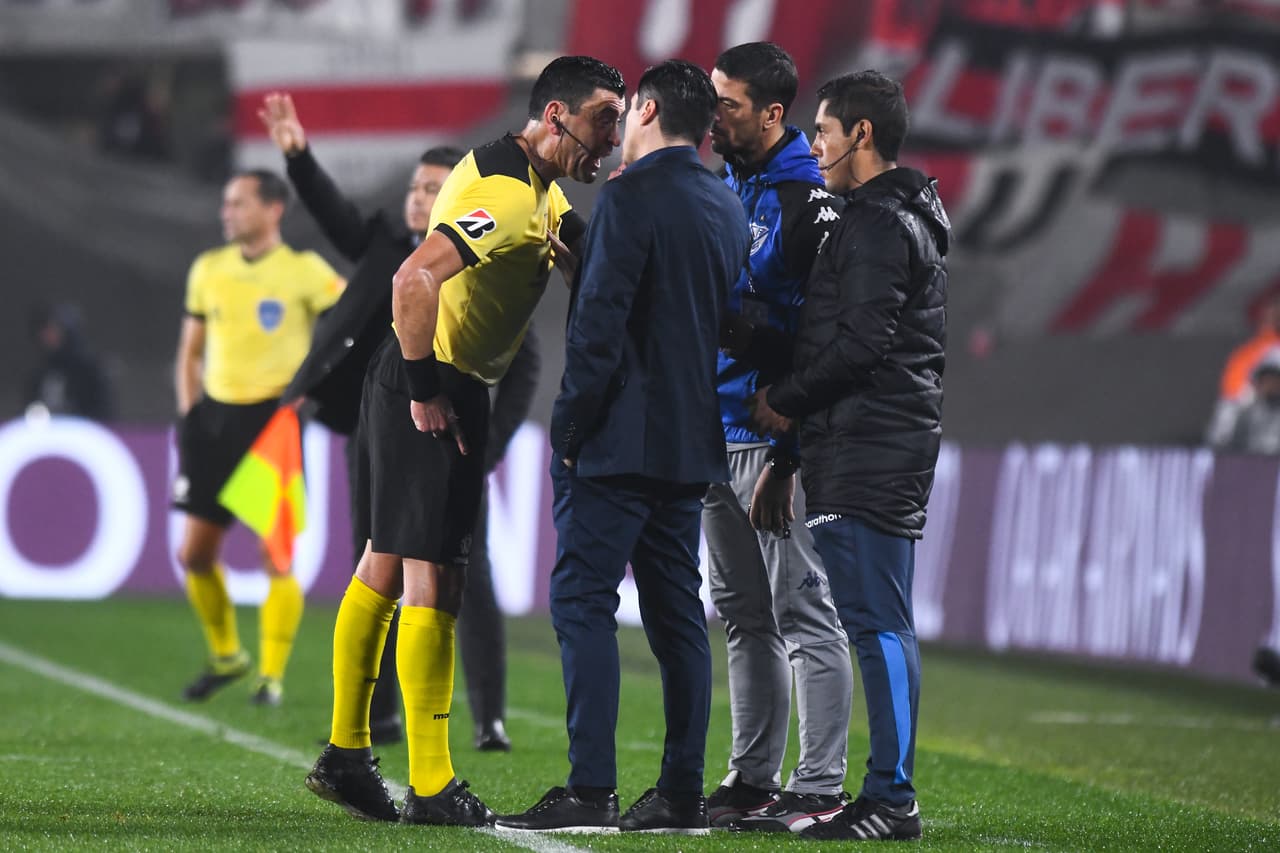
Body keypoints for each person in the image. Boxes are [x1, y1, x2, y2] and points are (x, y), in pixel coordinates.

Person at [303, 55, 624, 827]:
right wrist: (424, 393)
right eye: (601, 124)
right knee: (433, 583)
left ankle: (348, 755)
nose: (607, 145)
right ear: (555, 117)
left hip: (434, 379)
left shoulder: (526, 178)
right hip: (435, 384)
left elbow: (586, 248)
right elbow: (412, 280)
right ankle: (432, 781)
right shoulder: (512, 195)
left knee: (383, 564)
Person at [496, 59, 750, 836]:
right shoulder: (725, 204)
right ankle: (680, 794)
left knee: (581, 602)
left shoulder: (628, 198)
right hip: (688, 443)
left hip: (613, 445)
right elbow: (706, 317)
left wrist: (569, 428)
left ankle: (592, 788)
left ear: (643, 109)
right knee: (678, 618)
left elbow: (602, 332)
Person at [261, 93, 532, 752]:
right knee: (379, 564)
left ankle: (484, 715)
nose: (417, 197)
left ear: (459, 200)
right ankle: (374, 727)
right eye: (415, 186)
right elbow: (336, 219)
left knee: (458, 575)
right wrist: (298, 157)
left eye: (432, 188)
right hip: (381, 426)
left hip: (451, 429)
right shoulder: (391, 245)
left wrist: (488, 446)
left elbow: (521, 363)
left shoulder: (484, 256)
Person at [749, 70, 949, 842]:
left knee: (878, 624)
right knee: (879, 620)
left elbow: (860, 344)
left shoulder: (873, 227)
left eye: (825, 131)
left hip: (870, 442)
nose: (816, 146)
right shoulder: (890, 217)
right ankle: (886, 791)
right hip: (865, 439)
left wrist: (786, 399)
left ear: (861, 134)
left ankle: (891, 798)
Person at [699, 42, 854, 832]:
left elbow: (819, 340)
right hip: (713, 430)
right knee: (741, 611)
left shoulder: (805, 202)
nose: (712, 114)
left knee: (802, 608)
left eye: (727, 104)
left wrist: (788, 454)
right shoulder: (725, 180)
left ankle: (819, 781)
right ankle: (753, 772)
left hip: (770, 439)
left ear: (771, 113)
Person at [173, 169, 345, 707]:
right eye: (226, 203)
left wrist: (318, 391)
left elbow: (355, 325)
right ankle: (227, 655)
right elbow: (190, 352)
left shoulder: (304, 272)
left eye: (239, 203)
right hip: (214, 419)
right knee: (195, 554)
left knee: (276, 556)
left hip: (273, 424)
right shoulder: (208, 269)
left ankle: (270, 676)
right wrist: (189, 413)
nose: (227, 212)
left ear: (274, 209)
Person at [24, 302, 115, 421]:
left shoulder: (90, 370)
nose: (47, 336)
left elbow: (104, 411)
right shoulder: (40, 373)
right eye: (44, 330)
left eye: (54, 330)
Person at [1206, 348, 1280, 453]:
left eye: (1276, 379)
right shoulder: (1241, 409)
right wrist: (1233, 411)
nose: (1271, 385)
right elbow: (1217, 442)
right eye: (1266, 379)